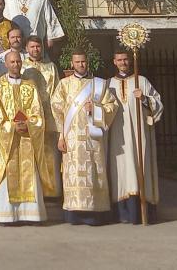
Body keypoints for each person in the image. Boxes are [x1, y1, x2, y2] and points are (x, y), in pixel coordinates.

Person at [51, 49, 118, 226]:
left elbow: (112, 106)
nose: (81, 65)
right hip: (71, 139)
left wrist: (96, 110)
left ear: (88, 62)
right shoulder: (64, 84)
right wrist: (61, 137)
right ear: (72, 64)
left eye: (84, 62)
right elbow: (57, 112)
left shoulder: (100, 85)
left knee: (94, 172)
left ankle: (95, 213)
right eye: (78, 62)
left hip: (93, 139)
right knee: (72, 174)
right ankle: (74, 214)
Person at [0, 51, 56, 225]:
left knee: (29, 173)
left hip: (27, 137)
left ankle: (31, 214)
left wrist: (29, 124)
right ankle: (8, 215)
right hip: (9, 141)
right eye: (12, 62)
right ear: (6, 64)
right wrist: (11, 126)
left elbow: (38, 113)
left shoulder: (30, 85)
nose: (16, 64)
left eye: (18, 61)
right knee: (8, 174)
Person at [108, 49, 164, 224]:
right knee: (120, 171)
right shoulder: (109, 84)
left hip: (140, 136)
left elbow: (158, 103)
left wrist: (145, 99)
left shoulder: (141, 81)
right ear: (114, 62)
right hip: (118, 138)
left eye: (125, 59)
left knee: (140, 167)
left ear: (130, 61)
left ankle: (141, 212)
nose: (123, 62)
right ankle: (123, 213)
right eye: (119, 60)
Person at [21, 35, 61, 197]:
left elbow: (57, 92)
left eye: (38, 47)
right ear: (26, 48)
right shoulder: (21, 67)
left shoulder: (51, 67)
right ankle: (32, 190)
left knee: (48, 154)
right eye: (32, 47)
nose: (35, 50)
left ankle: (50, 191)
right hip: (28, 117)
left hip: (47, 115)